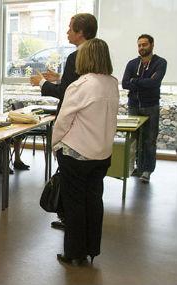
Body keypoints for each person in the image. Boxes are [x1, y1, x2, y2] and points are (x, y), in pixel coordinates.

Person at [52, 38, 118, 265]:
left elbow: (63, 121)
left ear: (85, 58)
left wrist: (55, 144)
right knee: (94, 201)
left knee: (74, 204)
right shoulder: (112, 83)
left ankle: (73, 252)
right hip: (102, 154)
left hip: (76, 153)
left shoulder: (80, 85)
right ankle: (91, 249)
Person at [30, 13, 98, 230]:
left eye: (70, 28)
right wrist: (60, 77)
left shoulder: (75, 57)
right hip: (91, 135)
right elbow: (77, 86)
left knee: (72, 185)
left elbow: (66, 94)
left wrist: (41, 83)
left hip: (72, 131)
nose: (67, 32)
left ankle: (69, 221)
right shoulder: (96, 58)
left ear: (80, 33)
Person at [121, 34, 167, 183]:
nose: (141, 48)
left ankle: (147, 170)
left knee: (149, 140)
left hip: (150, 106)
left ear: (152, 45)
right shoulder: (132, 63)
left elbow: (155, 82)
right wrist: (143, 81)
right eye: (139, 45)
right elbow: (124, 83)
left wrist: (135, 81)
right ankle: (136, 167)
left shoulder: (160, 63)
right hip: (133, 105)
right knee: (134, 138)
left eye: (145, 44)